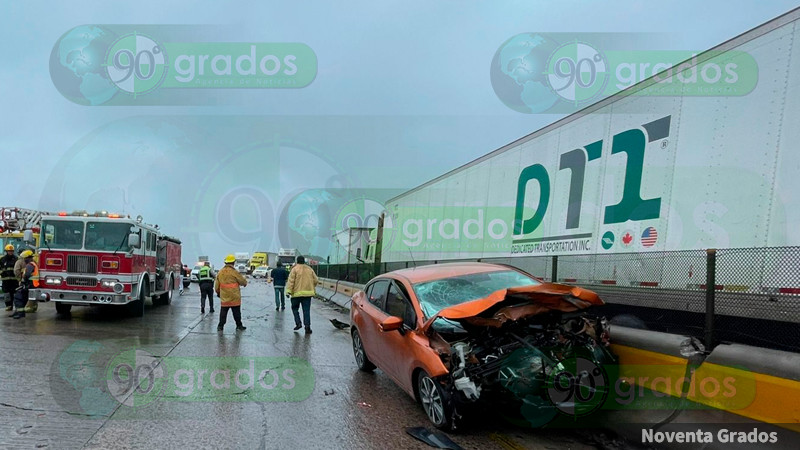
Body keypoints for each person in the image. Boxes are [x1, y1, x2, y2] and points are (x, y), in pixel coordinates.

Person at [286, 255, 318, 334]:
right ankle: (307, 327)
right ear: (304, 261)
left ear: (297, 261)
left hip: (296, 294)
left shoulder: (294, 269)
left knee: (295, 309)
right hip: (307, 295)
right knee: (306, 311)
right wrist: (311, 286)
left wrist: (288, 291)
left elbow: (291, 281)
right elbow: (316, 280)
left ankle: (298, 323)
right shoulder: (309, 269)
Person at [215, 254, 247, 331]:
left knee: (223, 312)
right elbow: (243, 282)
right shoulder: (234, 272)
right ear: (233, 262)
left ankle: (220, 326)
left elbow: (216, 285)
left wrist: (218, 292)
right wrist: (244, 283)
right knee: (236, 312)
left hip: (224, 296)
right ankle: (239, 326)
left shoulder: (220, 272)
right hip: (234, 296)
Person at [12, 250, 38, 319]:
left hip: (29, 284)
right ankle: (18, 312)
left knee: (18, 297)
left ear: (28, 258)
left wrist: (23, 281)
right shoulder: (33, 263)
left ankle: (20, 313)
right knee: (23, 298)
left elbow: (27, 275)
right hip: (32, 284)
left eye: (24, 258)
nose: (24, 260)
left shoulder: (30, 265)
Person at [1, 244, 19, 312]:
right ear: (6, 251)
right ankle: (8, 306)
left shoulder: (16, 259)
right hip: (5, 280)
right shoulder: (2, 259)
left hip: (14, 280)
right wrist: (2, 273)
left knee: (15, 294)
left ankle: (16, 306)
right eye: (9, 251)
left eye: (11, 251)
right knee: (7, 294)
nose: (10, 252)